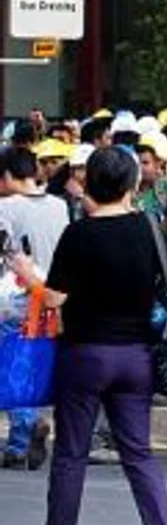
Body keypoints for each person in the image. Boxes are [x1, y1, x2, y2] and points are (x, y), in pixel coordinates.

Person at [8, 146, 167, 525]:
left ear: (88, 184)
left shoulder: (81, 234)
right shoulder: (149, 229)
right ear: (132, 185)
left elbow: (55, 297)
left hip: (86, 353)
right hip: (137, 355)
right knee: (138, 453)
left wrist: (25, 269)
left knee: (71, 455)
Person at [1, 142, 68, 470]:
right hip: (55, 299)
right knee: (36, 366)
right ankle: (20, 440)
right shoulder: (59, 205)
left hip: (20, 300)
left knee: (14, 367)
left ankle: (25, 429)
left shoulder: (7, 208)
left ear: (8, 176)